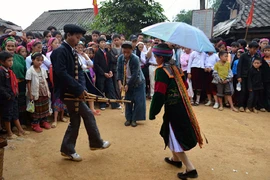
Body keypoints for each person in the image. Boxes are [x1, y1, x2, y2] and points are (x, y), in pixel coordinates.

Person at [51, 24, 110, 161]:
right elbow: (61, 73)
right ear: (68, 35)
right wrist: (78, 89)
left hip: (74, 90)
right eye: (76, 37)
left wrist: (81, 89)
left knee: (76, 120)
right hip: (68, 92)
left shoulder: (70, 50)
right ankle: (95, 142)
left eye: (79, 38)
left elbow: (78, 72)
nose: (78, 41)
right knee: (87, 115)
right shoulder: (61, 51)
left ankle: (68, 148)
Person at [149, 43, 203, 180]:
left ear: (161, 58)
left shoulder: (162, 71)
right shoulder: (176, 68)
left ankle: (190, 169)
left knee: (175, 136)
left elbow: (159, 94)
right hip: (182, 106)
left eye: (156, 56)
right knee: (167, 131)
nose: (155, 58)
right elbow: (184, 86)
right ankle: (175, 159)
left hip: (173, 109)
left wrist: (153, 111)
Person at [0, 51, 30, 139]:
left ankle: (20, 130)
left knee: (15, 113)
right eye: (9, 61)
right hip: (6, 98)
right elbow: (1, 87)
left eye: (12, 60)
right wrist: (7, 95)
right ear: (2, 61)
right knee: (7, 115)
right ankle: (9, 133)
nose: (11, 62)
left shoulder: (9, 71)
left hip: (13, 95)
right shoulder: (1, 72)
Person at [117, 41, 146, 127]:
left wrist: (128, 85)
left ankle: (134, 119)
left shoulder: (135, 59)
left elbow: (135, 74)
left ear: (132, 50)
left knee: (138, 101)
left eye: (128, 52)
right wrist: (120, 83)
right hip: (126, 81)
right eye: (124, 52)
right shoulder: (120, 58)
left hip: (138, 82)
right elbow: (119, 71)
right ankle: (128, 118)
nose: (126, 54)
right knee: (128, 100)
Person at [2, 37, 28, 126]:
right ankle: (12, 126)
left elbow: (25, 70)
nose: (10, 48)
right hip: (9, 86)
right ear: (5, 46)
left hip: (21, 83)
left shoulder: (20, 58)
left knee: (21, 103)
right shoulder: (2, 59)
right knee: (10, 106)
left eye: (12, 46)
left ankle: (21, 123)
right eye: (8, 46)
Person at [26, 52, 52, 132]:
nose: (40, 62)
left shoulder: (43, 70)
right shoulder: (30, 71)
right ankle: (35, 124)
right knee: (36, 109)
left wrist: (48, 91)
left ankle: (44, 121)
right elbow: (28, 83)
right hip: (35, 92)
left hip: (43, 91)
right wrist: (30, 94)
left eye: (41, 61)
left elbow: (45, 81)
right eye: (37, 60)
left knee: (44, 107)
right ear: (33, 60)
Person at [94, 37, 121, 110]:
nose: (103, 44)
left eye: (104, 42)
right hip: (101, 75)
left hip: (108, 74)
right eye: (101, 42)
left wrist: (110, 71)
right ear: (98, 44)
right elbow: (96, 65)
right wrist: (103, 73)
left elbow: (110, 63)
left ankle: (114, 104)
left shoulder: (108, 52)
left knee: (111, 88)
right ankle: (102, 104)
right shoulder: (97, 53)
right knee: (101, 89)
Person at [76, 41, 101, 116]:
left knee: (91, 90)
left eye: (81, 47)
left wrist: (85, 56)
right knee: (83, 91)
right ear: (75, 48)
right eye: (78, 47)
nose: (80, 49)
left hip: (87, 74)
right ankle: (84, 109)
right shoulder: (75, 55)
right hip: (80, 75)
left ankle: (92, 109)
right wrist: (87, 66)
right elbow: (81, 66)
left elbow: (91, 64)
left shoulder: (84, 55)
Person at [237, 42, 260, 112]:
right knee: (243, 91)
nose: (254, 50)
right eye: (253, 48)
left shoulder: (257, 56)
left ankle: (249, 106)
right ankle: (241, 105)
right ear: (249, 48)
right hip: (244, 75)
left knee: (251, 92)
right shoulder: (243, 55)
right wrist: (239, 76)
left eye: (256, 49)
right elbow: (239, 66)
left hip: (253, 77)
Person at [111, 34, 122, 98]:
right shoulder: (112, 50)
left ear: (120, 40)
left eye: (117, 40)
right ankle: (118, 97)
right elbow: (112, 59)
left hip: (123, 68)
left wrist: (117, 57)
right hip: (115, 69)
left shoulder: (123, 48)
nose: (116, 41)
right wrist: (117, 58)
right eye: (115, 40)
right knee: (117, 83)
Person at [261, 45, 270, 111]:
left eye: (268, 51)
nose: (267, 52)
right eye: (265, 51)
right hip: (264, 79)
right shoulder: (262, 60)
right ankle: (266, 106)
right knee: (265, 92)